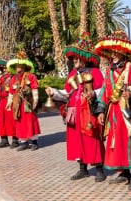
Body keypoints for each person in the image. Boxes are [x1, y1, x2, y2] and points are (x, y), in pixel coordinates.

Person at [45, 32, 106, 182]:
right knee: (77, 140)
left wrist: (92, 94)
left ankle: (99, 169)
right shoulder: (73, 73)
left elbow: (102, 91)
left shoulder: (96, 73)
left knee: (92, 139)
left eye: (77, 58)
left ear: (85, 58)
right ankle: (82, 168)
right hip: (74, 113)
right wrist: (53, 92)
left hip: (89, 112)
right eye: (73, 58)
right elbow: (67, 93)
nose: (74, 60)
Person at [94, 30, 131, 190]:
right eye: (112, 51)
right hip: (114, 114)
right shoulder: (109, 71)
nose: (113, 54)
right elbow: (104, 92)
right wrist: (101, 111)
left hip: (129, 112)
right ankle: (125, 172)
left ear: (124, 51)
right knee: (117, 143)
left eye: (116, 51)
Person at [6, 50, 41, 151]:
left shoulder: (31, 76)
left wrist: (35, 100)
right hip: (18, 104)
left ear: (24, 66)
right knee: (20, 122)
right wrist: (9, 103)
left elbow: (34, 88)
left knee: (31, 121)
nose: (17, 68)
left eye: (19, 66)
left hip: (27, 103)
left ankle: (34, 142)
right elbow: (11, 92)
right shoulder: (13, 78)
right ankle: (24, 142)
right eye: (16, 66)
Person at [0, 59, 17, 148]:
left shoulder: (14, 78)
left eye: (6, 68)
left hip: (11, 101)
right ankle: (4, 140)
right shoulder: (1, 78)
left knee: (12, 121)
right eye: (3, 69)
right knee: (1, 121)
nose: (5, 70)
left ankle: (15, 140)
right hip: (2, 102)